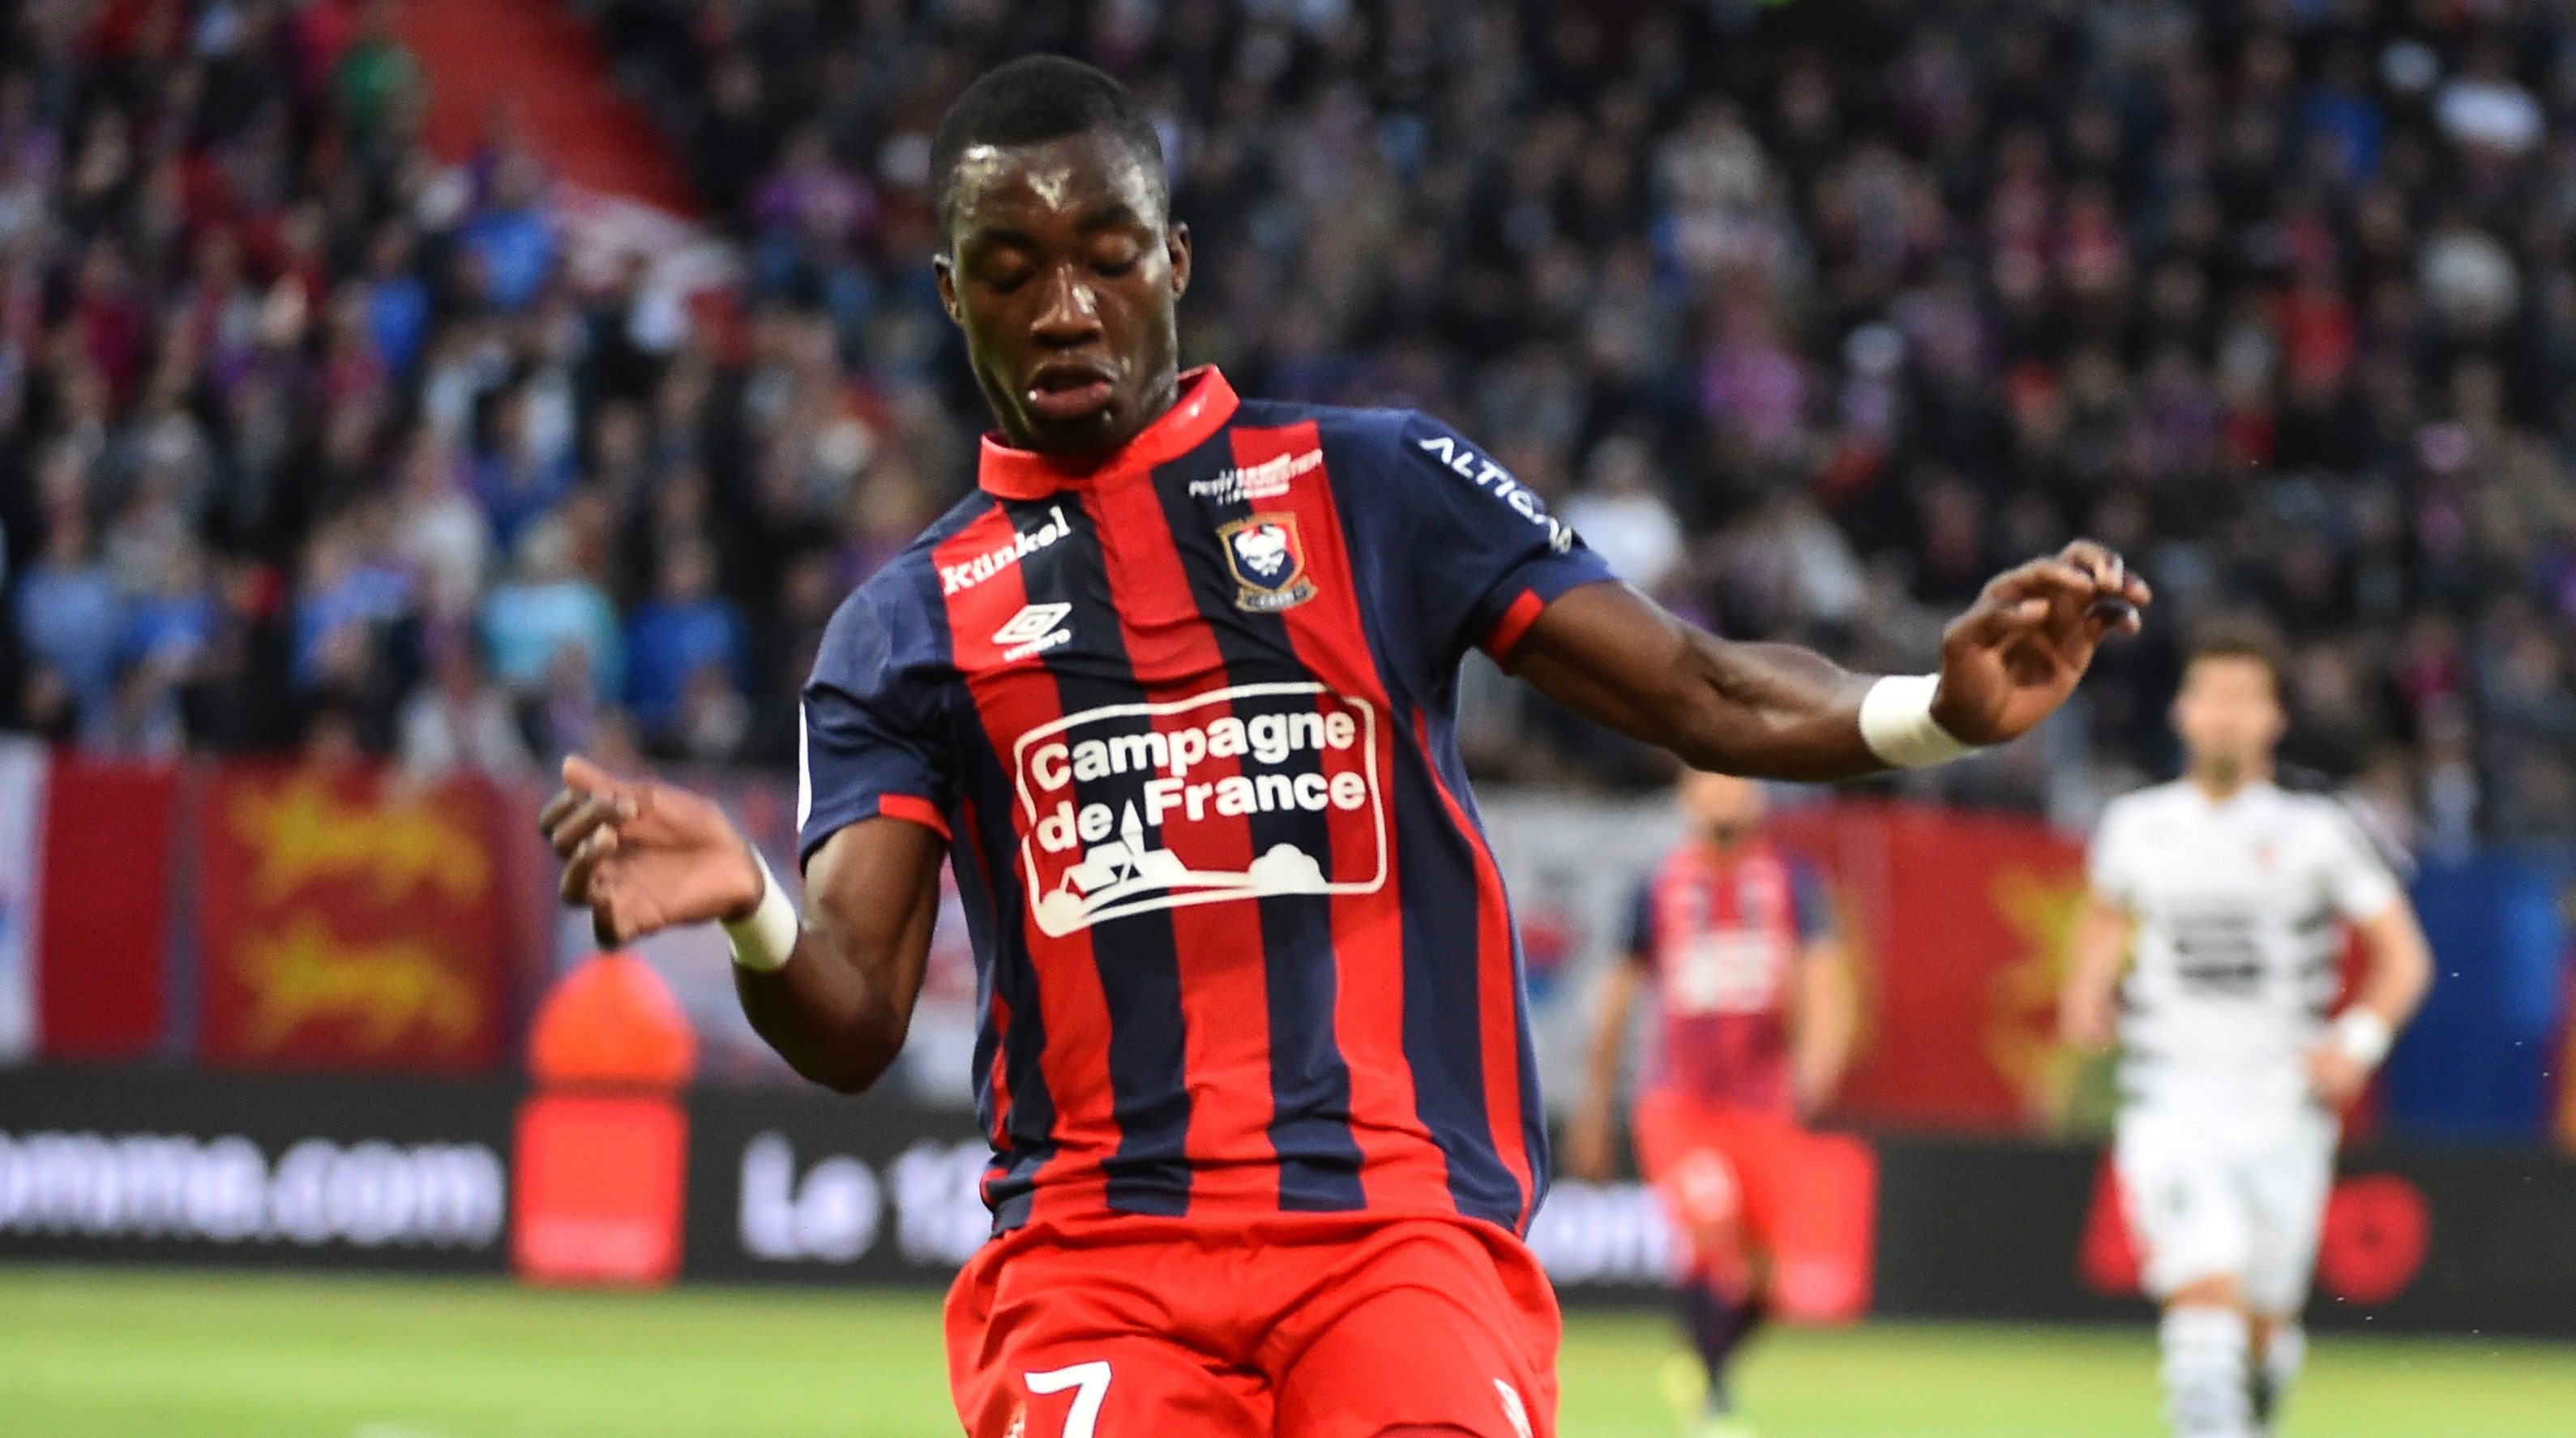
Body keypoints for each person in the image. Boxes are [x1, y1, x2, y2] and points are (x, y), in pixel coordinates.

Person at [538, 56, 2149, 1438]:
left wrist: (1929, 709)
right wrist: (751, 899)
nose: (1065, 306)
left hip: (1394, 1231)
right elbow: (848, 1019)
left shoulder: (1373, 485)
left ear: (1174, 259)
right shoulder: (905, 623)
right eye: (1010, 269)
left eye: (1106, 254)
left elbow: (1698, 689)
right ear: (953, 294)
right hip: (1095, 1260)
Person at [2061, 623, 2433, 1438]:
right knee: (2202, 1278)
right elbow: (2103, 916)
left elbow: (2405, 957)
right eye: (2211, 696)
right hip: (2170, 1091)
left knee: (2262, 1314)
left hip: (2281, 1100)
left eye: (2243, 698)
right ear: (2182, 710)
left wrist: (2357, 1043)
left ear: (2274, 717)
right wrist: (2085, 991)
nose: (2225, 715)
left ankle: (2256, 1385)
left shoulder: (2318, 830)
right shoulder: (2136, 824)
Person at [1564, 771, 1852, 1438]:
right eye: (1710, 783)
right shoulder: (1656, 887)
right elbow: (1615, 1000)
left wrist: (1815, 1069)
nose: (1724, 795)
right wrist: (1594, 1108)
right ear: (1686, 797)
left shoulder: (1794, 882)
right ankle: (1714, 1403)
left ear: (1758, 795)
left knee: (1769, 1282)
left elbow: (1826, 981)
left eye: (1735, 783)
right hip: (1679, 1102)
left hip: (1763, 1104)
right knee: (1710, 1227)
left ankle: (1703, 1361)